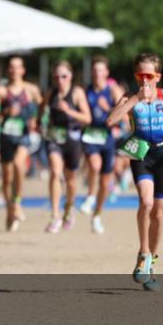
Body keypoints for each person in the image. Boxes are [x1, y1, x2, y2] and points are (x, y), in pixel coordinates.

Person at [107, 52, 163, 291]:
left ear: (158, 76)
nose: (144, 81)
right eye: (139, 76)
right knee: (145, 202)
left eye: (149, 76)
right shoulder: (129, 97)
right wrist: (135, 99)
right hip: (141, 154)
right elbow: (111, 121)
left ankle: (152, 262)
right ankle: (143, 253)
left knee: (159, 213)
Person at [0, 56, 42, 232]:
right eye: (11, 67)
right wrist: (5, 112)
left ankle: (17, 203)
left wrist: (37, 120)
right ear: (7, 70)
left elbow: (44, 106)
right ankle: (10, 210)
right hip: (6, 136)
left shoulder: (31, 90)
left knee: (19, 165)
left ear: (23, 70)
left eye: (18, 67)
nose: (14, 70)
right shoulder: (1, 91)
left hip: (23, 135)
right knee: (7, 177)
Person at [39, 60, 91, 233]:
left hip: (72, 139)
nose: (60, 80)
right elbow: (41, 110)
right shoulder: (50, 93)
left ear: (70, 76)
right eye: (57, 77)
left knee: (70, 179)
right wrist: (38, 122)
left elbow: (87, 118)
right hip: (54, 138)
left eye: (64, 76)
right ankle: (55, 215)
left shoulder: (76, 93)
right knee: (55, 172)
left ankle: (69, 207)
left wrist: (69, 111)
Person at [78, 56, 123, 234]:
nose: (97, 73)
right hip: (90, 135)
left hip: (107, 137)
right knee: (94, 165)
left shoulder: (113, 90)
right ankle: (90, 197)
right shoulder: (86, 91)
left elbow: (124, 114)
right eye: (95, 70)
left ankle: (96, 215)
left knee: (105, 183)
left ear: (106, 73)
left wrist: (108, 109)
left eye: (100, 70)